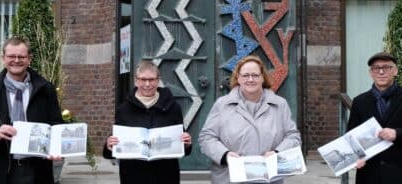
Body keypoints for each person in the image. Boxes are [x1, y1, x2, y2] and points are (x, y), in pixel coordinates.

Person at [199, 55, 301, 184]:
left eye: (255, 75)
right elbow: (206, 137)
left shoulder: (280, 104)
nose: (250, 79)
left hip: (269, 178)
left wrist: (277, 153)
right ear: (238, 78)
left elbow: (293, 137)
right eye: (246, 75)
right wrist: (225, 155)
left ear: (263, 78)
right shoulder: (222, 105)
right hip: (230, 178)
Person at [0, 37, 63, 184]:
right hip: (3, 171)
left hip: (38, 170)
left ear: (29, 58)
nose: (16, 60)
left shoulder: (46, 89)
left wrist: (56, 147)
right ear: (3, 58)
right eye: (11, 56)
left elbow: (57, 124)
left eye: (21, 56)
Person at [103, 60, 192, 184]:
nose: (147, 84)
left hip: (165, 175)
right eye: (143, 79)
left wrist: (186, 143)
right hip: (133, 175)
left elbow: (181, 143)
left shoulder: (173, 107)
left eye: (151, 79)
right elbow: (114, 145)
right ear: (136, 80)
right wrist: (109, 145)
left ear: (158, 80)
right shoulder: (124, 109)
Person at [347, 52, 402, 184]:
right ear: (371, 73)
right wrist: (355, 157)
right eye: (376, 68)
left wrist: (398, 134)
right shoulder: (359, 102)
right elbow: (350, 137)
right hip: (368, 176)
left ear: (395, 71)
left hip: (401, 177)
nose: (381, 72)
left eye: (386, 67)